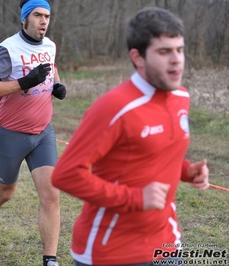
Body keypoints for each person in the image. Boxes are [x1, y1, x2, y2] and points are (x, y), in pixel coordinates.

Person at [51, 7, 209, 266]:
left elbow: (151, 155)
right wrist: (136, 198)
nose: (177, 59)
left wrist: (187, 171)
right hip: (111, 251)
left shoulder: (181, 97)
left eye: (179, 50)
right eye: (164, 51)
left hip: (166, 241)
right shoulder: (114, 107)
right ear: (137, 57)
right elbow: (65, 175)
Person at [0, 1, 65, 265]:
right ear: (24, 18)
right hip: (11, 135)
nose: (43, 21)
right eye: (37, 15)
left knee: (51, 194)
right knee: (5, 193)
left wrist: (57, 85)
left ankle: (50, 259)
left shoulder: (50, 45)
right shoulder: (8, 49)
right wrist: (23, 83)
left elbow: (52, 68)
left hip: (43, 133)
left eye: (47, 16)